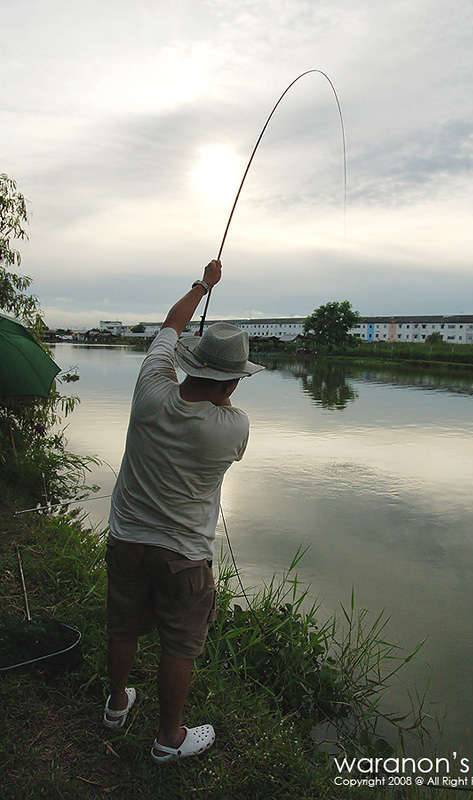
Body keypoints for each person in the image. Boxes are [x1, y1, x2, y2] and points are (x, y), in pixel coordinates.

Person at [102, 259, 263, 763]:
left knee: (122, 624)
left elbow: (171, 326)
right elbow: (218, 414)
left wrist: (203, 285)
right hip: (185, 556)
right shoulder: (233, 427)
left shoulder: (149, 389)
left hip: (126, 538)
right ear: (231, 383)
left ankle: (115, 704)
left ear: (192, 363)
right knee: (179, 645)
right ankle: (167, 738)